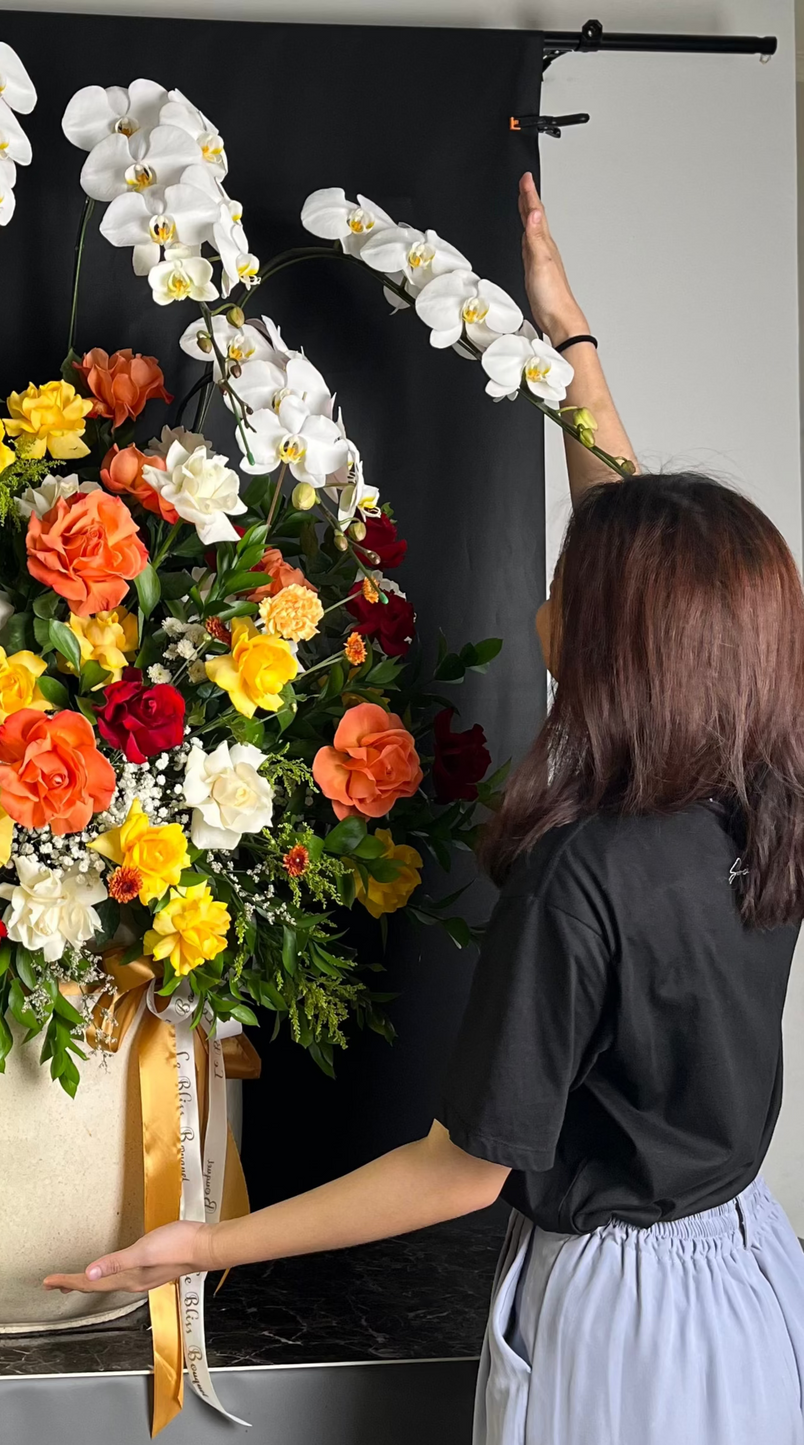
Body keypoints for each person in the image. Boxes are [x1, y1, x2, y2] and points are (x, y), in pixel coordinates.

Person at [44, 172, 804, 1444]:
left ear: (614, 641)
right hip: (745, 1275)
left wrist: (207, 1240)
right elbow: (630, 524)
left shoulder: (583, 874)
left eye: (568, 581)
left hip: (620, 1326)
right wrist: (564, 330)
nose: (546, 593)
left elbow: (463, 1167)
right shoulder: (759, 797)